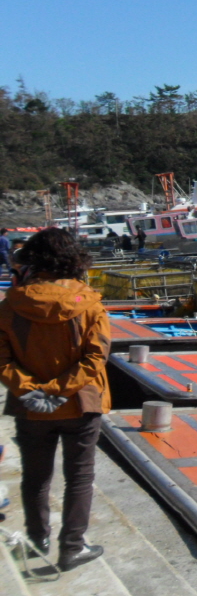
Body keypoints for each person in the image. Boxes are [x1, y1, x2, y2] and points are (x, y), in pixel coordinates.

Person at [0, 228, 111, 570]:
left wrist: (31, 390)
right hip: (81, 404)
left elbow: (2, 360)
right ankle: (72, 547)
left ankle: (37, 538)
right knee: (78, 477)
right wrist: (59, 390)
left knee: (36, 476)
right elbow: (96, 358)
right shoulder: (89, 303)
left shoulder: (11, 305)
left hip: (31, 408)